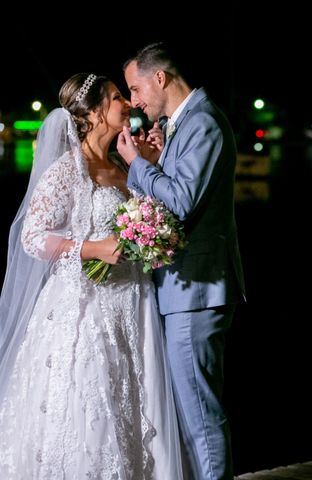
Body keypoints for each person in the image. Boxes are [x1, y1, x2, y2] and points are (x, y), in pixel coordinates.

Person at [0, 73, 183, 479]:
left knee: (136, 398)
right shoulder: (68, 169)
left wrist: (149, 169)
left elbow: (145, 216)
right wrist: (91, 249)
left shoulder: (121, 162)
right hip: (86, 308)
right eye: (119, 97)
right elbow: (33, 237)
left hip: (134, 303)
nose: (128, 105)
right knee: (92, 404)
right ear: (98, 112)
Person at [117, 43, 246, 480]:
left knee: (200, 415)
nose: (133, 102)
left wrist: (136, 164)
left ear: (160, 79)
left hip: (197, 288)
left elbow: (181, 201)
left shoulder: (203, 122)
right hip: (185, 289)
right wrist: (156, 160)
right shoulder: (180, 124)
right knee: (192, 412)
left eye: (135, 89)